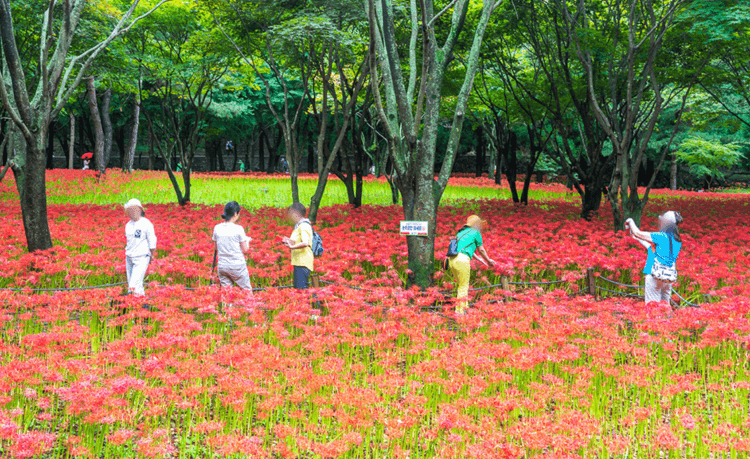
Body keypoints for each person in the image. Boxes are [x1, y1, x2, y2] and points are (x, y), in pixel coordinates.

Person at [626, 211, 684, 304]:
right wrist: (639, 239)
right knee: (665, 305)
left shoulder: (661, 236)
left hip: (655, 276)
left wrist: (630, 221)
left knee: (653, 306)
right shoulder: (677, 241)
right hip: (668, 278)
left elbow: (638, 233)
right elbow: (651, 248)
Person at [449, 215, 496, 315]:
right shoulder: (476, 233)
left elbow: (468, 249)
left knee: (461, 286)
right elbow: (481, 250)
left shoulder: (461, 232)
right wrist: (488, 261)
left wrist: (480, 260)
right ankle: (460, 312)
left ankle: (463, 309)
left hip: (452, 259)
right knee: (463, 287)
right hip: (462, 260)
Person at [212, 201, 253, 291]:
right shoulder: (238, 229)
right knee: (246, 291)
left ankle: (227, 306)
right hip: (237, 266)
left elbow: (216, 247)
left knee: (227, 295)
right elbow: (245, 250)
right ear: (235, 214)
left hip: (222, 266)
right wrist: (248, 241)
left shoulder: (217, 228)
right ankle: (248, 305)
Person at [124, 199, 157, 296]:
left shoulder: (146, 223)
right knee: (133, 282)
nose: (131, 213)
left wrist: (152, 255)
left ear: (139, 210)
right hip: (129, 256)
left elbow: (152, 240)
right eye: (129, 211)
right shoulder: (128, 225)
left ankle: (135, 303)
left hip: (142, 257)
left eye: (133, 210)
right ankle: (142, 304)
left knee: (133, 285)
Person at [281, 202, 314, 290]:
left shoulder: (303, 226)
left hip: (303, 261)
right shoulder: (300, 225)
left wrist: (292, 247)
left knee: (301, 289)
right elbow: (299, 241)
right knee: (298, 288)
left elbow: (305, 243)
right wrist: (288, 241)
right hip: (299, 261)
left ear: (296, 213)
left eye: (291, 213)